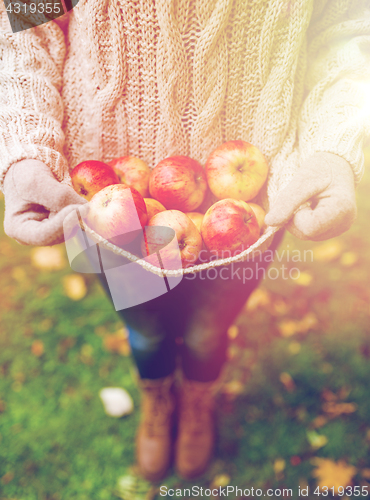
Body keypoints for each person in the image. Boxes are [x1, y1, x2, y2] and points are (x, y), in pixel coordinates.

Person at [1, 0, 369, 482]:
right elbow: (26, 20)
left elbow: (345, 21)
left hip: (253, 204)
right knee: (145, 328)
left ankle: (198, 398)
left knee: (209, 328)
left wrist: (334, 146)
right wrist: (26, 150)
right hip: (109, 201)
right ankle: (158, 398)